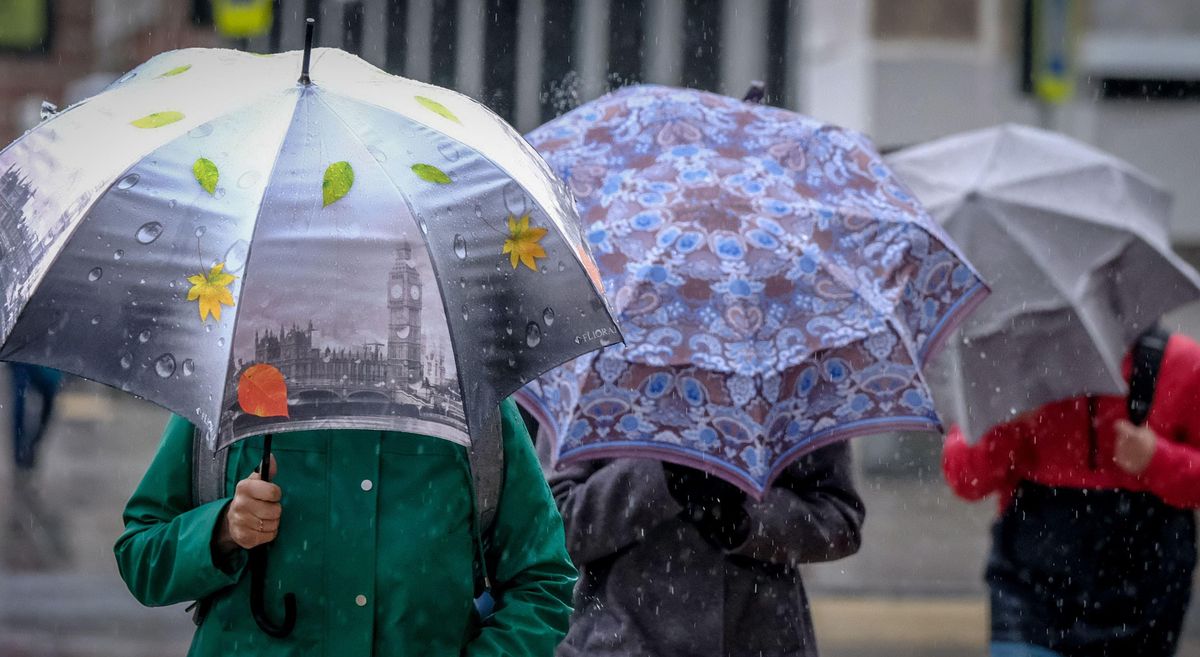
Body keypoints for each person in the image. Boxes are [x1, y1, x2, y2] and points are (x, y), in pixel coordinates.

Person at [114, 398, 576, 656]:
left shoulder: (472, 406)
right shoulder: (236, 393)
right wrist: (221, 530)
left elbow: (543, 580)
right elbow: (141, 556)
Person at [943, 330, 1200, 657]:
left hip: (1144, 588)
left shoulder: (1179, 362)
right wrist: (1004, 426)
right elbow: (964, 478)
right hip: (1031, 586)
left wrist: (1157, 460)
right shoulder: (1009, 366)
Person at [536, 424, 865, 657]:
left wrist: (743, 520)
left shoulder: (789, 370)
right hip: (619, 642)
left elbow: (839, 520)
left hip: (762, 639)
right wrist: (662, 475)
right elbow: (553, 528)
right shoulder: (600, 369)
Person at [9, 363, 63, 480]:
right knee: (20, 401)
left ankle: (29, 446)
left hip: (48, 361)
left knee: (48, 397)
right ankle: (20, 452)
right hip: (23, 357)